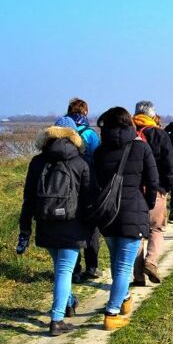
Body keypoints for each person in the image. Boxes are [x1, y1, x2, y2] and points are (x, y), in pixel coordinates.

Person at [17, 118, 94, 336]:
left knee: (60, 268)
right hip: (73, 224)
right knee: (64, 270)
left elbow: (28, 198)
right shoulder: (81, 162)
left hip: (45, 222)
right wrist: (91, 225)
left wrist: (25, 228)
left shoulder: (37, 162)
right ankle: (57, 319)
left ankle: (69, 302)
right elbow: (89, 197)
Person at [92, 107, 159, 331]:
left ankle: (125, 298)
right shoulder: (140, 147)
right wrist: (147, 204)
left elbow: (94, 182)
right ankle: (111, 313)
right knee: (123, 267)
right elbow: (153, 180)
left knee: (116, 261)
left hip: (108, 214)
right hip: (133, 208)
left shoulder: (100, 151)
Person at [132, 101, 173, 286]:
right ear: (152, 115)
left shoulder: (129, 133)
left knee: (136, 234)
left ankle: (138, 276)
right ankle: (151, 262)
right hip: (156, 188)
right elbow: (169, 164)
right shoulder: (160, 134)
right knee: (156, 228)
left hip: (133, 190)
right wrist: (167, 187)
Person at [65, 98, 102, 283]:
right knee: (91, 227)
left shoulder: (62, 132)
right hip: (88, 185)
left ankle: (74, 269)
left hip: (66, 187)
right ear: (85, 113)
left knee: (71, 226)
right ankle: (92, 267)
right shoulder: (90, 134)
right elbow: (98, 158)